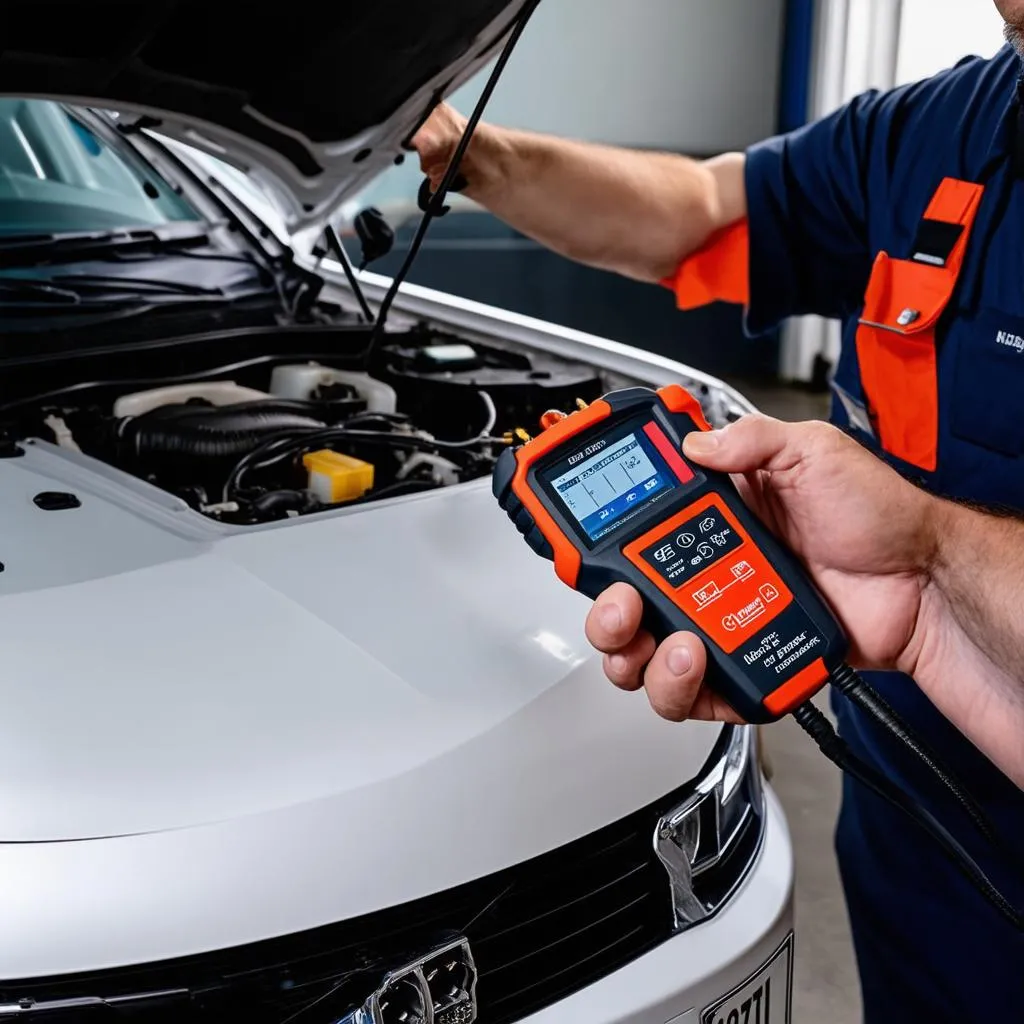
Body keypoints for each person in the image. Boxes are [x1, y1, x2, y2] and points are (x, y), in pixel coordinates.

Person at [411, 4, 1024, 1018]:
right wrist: (472, 155)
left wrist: (929, 553)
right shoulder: (936, 129)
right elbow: (696, 207)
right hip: (915, 849)